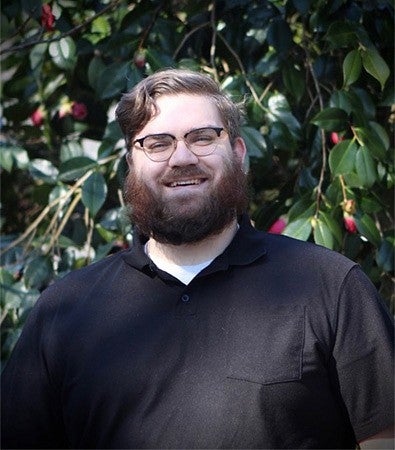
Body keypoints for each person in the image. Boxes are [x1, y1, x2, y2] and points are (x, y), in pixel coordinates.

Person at [1, 69, 393, 450]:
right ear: (131, 164)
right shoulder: (64, 311)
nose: (182, 157)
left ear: (238, 153)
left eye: (203, 137)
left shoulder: (329, 286)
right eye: (157, 143)